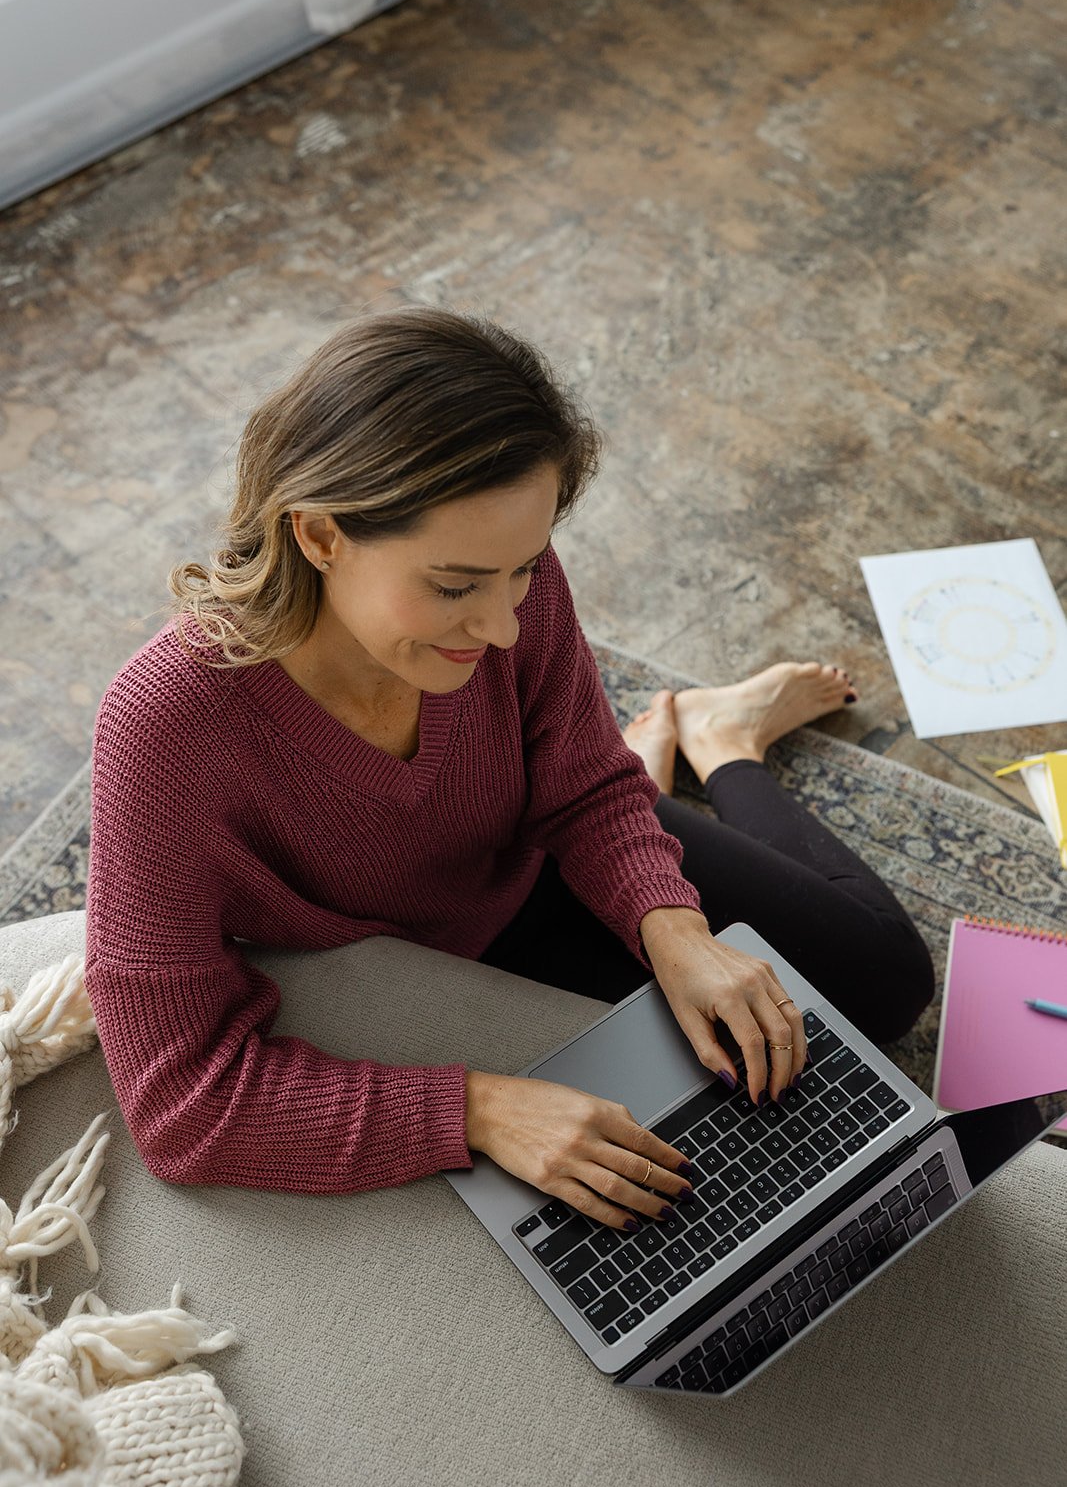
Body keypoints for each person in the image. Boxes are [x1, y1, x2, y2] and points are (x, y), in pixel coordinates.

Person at [84, 305, 935, 1237]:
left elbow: (580, 782)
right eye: (452, 588)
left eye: (523, 570)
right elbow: (179, 1104)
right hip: (415, 957)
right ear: (319, 536)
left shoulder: (505, 576)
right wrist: (477, 1110)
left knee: (886, 985)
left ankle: (726, 743)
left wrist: (675, 931)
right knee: (729, 1136)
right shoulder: (164, 730)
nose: (500, 628)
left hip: (537, 851)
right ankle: (684, 747)